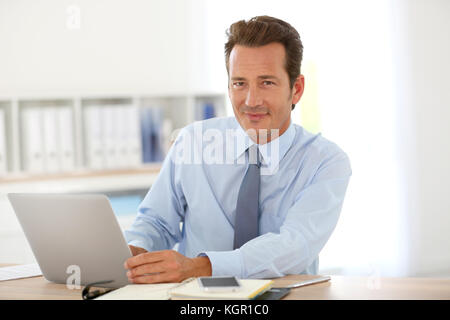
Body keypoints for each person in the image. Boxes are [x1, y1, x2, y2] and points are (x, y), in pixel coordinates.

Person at [123, 15, 352, 284]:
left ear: (297, 89)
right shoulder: (192, 142)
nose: (251, 101)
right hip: (195, 300)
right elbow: (157, 223)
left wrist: (200, 267)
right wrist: (133, 252)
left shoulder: (325, 162)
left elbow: (294, 245)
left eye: (266, 82)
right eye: (239, 83)